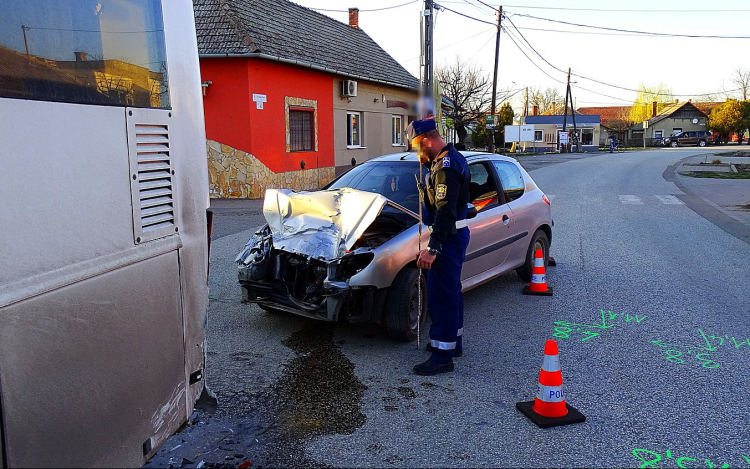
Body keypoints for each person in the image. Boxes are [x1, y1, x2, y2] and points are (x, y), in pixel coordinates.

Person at [405, 118, 471, 376]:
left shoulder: (446, 167)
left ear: (426, 140)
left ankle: (442, 356)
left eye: (417, 147)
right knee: (451, 291)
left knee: (441, 295)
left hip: (447, 237)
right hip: (452, 235)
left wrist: (433, 249)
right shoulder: (448, 160)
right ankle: (452, 343)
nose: (417, 153)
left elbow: (445, 212)